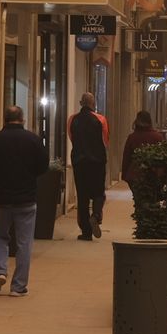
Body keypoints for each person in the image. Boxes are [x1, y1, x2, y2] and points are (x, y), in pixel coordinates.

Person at [0, 106, 50, 296]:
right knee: (24, 243)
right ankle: (18, 286)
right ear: (22, 119)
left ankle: (0, 271)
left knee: (0, 236)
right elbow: (43, 166)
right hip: (26, 199)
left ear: (4, 119)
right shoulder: (33, 140)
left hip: (1, 199)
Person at [69, 92, 109, 241]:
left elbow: (72, 138)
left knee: (82, 196)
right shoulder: (101, 119)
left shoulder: (72, 119)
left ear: (81, 103)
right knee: (99, 193)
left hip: (79, 162)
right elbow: (105, 141)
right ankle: (96, 215)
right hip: (97, 162)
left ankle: (86, 232)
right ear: (93, 104)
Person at [121, 110, 166, 192]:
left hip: (135, 174)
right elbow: (163, 158)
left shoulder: (132, 137)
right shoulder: (158, 137)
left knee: (138, 200)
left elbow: (126, 157)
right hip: (153, 174)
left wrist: (125, 175)